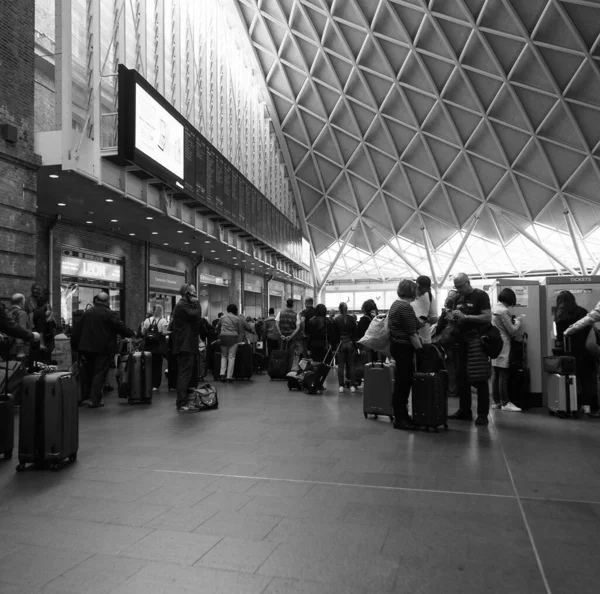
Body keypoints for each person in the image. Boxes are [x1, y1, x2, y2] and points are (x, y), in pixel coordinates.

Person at [72, 292, 135, 408]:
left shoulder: (87, 313)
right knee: (99, 373)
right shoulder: (109, 314)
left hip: (86, 349)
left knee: (88, 373)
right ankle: (94, 399)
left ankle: (86, 397)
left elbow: (76, 330)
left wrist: (75, 346)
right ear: (107, 302)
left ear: (96, 300)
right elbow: (120, 327)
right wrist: (131, 333)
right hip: (103, 349)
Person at [448, 273, 492, 426]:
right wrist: (452, 317)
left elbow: (487, 317)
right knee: (461, 377)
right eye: (456, 287)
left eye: (460, 286)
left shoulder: (480, 296)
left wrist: (466, 317)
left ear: (468, 283)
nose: (458, 290)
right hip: (461, 342)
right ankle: (464, 410)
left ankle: (482, 414)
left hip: (477, 342)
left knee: (480, 377)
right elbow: (456, 317)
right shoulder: (457, 299)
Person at [555, 291, 597, 416]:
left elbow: (558, 337)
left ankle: (574, 406)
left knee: (572, 380)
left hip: (569, 353)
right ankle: (591, 407)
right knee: (588, 380)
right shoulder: (582, 311)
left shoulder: (559, 316)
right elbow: (590, 329)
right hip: (585, 351)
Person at [388, 280, 423, 430]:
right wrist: (421, 350)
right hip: (404, 348)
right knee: (404, 383)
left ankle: (401, 415)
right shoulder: (406, 307)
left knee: (400, 382)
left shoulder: (395, 304)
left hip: (396, 346)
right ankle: (401, 418)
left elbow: (413, 324)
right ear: (411, 291)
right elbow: (412, 333)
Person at [170, 284, 205, 411]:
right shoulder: (182, 305)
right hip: (185, 344)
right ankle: (181, 403)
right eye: (194, 292)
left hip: (187, 343)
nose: (196, 295)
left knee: (187, 373)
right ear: (187, 293)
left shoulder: (184, 305)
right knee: (185, 373)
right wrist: (197, 304)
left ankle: (186, 401)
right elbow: (195, 316)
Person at [491, 288, 524, 412]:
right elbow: (512, 330)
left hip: (494, 344)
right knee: (503, 373)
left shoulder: (494, 308)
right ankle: (506, 402)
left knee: (496, 373)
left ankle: (496, 401)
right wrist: (518, 322)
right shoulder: (504, 311)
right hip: (504, 344)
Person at [218, 304, 253, 382]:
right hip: (233, 338)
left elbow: (218, 327)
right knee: (231, 357)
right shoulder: (238, 319)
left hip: (223, 338)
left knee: (223, 356)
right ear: (235, 310)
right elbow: (240, 330)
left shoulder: (222, 317)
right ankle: (229, 377)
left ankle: (222, 375)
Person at [140, 304, 169, 391]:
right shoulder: (163, 321)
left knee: (148, 365)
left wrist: (142, 326)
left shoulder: (147, 320)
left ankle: (148, 382)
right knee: (157, 366)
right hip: (158, 347)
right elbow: (164, 333)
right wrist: (171, 331)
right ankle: (156, 385)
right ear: (161, 311)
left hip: (148, 347)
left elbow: (142, 333)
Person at [332, 302, 358, 393]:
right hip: (350, 344)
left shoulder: (336, 319)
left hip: (340, 344)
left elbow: (334, 334)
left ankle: (341, 386)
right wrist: (353, 343)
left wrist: (334, 347)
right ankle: (352, 385)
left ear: (339, 309)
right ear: (347, 309)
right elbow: (355, 333)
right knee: (351, 365)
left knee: (341, 366)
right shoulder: (352, 319)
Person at [276, 298, 302, 369]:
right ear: (293, 305)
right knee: (291, 354)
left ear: (286, 304)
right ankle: (288, 369)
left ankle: (281, 369)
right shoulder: (296, 315)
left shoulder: (280, 313)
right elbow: (298, 327)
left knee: (282, 353)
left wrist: (281, 335)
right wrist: (291, 336)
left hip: (282, 337)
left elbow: (277, 324)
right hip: (291, 338)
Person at [411, 275, 438, 344]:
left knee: (424, 353)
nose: (423, 294)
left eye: (425, 291)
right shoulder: (408, 295)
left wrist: (426, 320)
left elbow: (434, 317)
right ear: (417, 286)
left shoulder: (430, 296)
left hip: (425, 338)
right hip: (410, 338)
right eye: (421, 291)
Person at [31, 298, 58, 365]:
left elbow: (54, 328)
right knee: (44, 360)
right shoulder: (41, 314)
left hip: (49, 340)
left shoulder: (51, 318)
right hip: (44, 341)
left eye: (49, 308)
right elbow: (41, 329)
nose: (48, 310)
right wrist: (42, 343)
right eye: (47, 307)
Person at [8, 294, 30, 360]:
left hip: (9, 349)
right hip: (19, 351)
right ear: (21, 301)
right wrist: (21, 350)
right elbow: (20, 331)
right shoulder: (22, 313)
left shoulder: (7, 314)